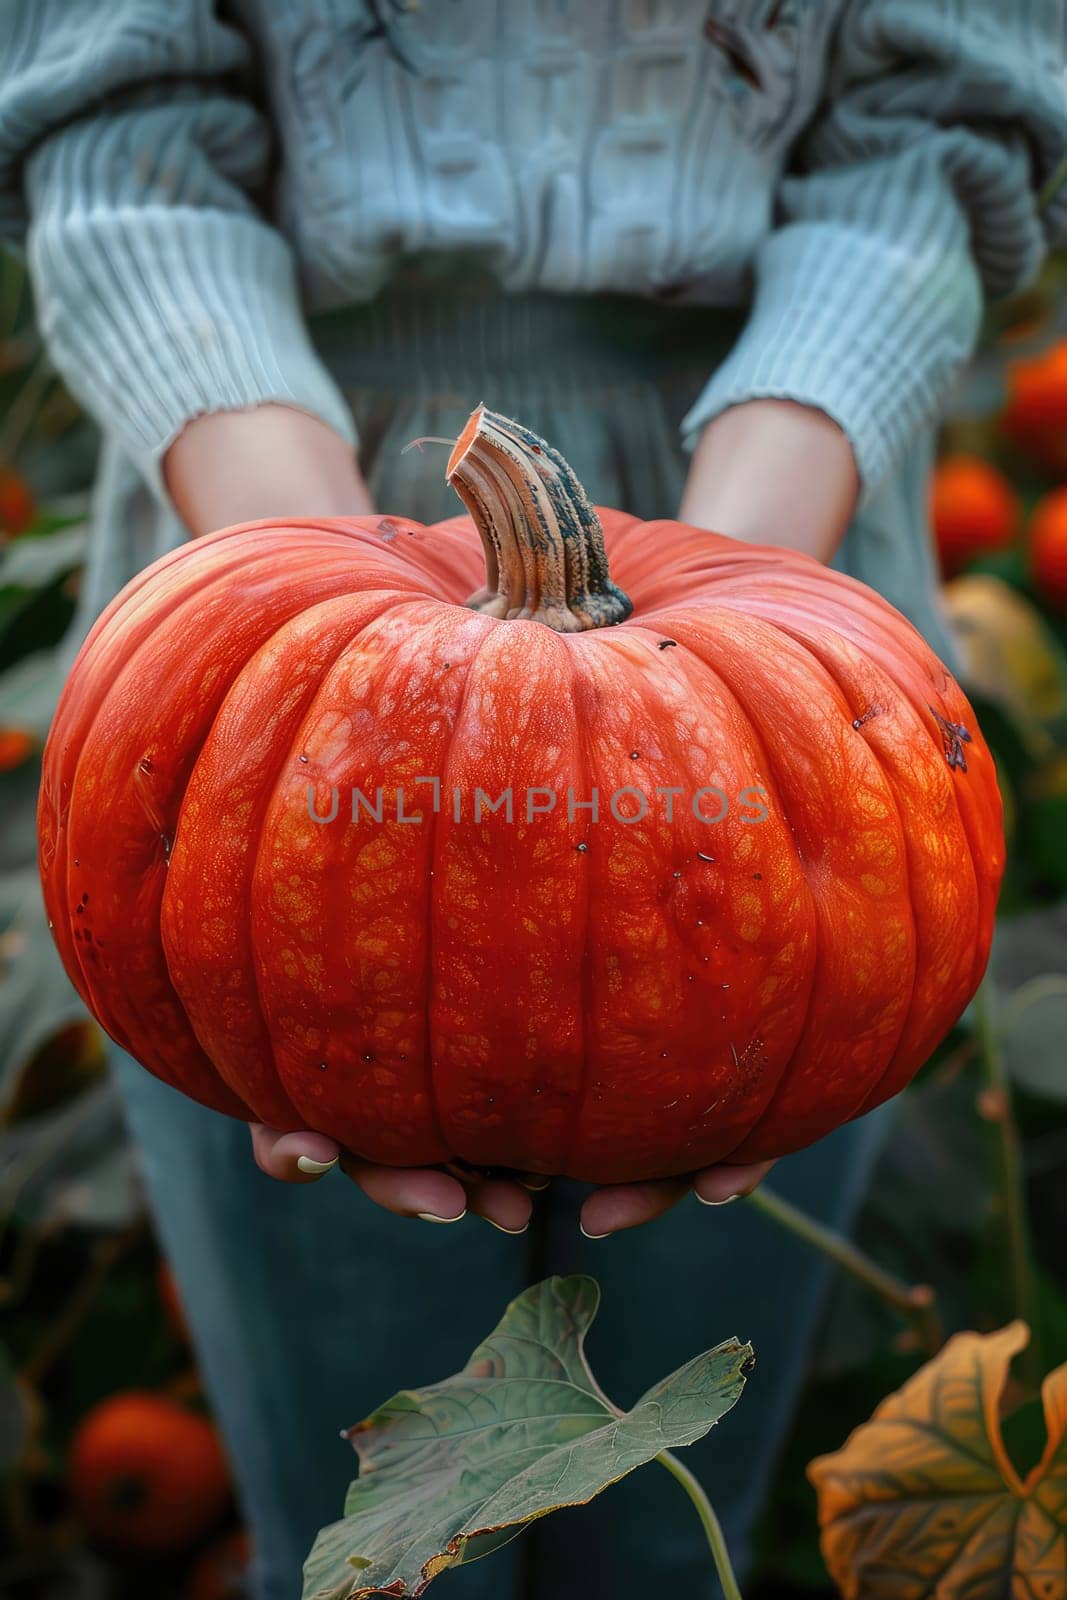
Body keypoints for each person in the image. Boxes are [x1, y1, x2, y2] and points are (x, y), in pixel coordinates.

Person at [2, 3, 1063, 1596]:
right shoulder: (266, 658)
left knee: (664, 1538)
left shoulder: (778, 656)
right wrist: (331, 649)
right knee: (362, 1547)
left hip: (790, 560)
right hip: (251, 535)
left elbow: (940, 126)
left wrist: (721, 621)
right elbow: (113, 123)